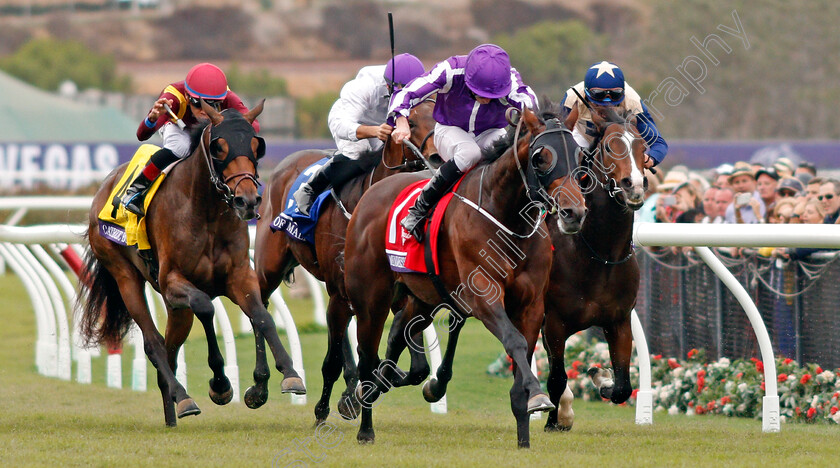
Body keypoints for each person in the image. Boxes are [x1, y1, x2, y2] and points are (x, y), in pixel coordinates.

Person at [388, 44, 538, 241]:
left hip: (490, 131)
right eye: (481, 93)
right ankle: (419, 208)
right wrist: (400, 121)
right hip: (450, 129)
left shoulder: (508, 77)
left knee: (509, 154)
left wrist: (535, 118)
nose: (486, 99)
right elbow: (406, 93)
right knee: (470, 153)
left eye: (492, 96)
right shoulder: (450, 70)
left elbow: (530, 102)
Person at [293, 53, 426, 215]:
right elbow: (342, 125)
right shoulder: (364, 87)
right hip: (351, 121)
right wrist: (374, 131)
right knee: (361, 153)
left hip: (389, 122)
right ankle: (310, 189)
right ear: (388, 86)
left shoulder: (422, 87)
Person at [121, 63, 259, 216]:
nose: (205, 111)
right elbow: (142, 135)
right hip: (178, 127)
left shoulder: (227, 96)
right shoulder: (172, 97)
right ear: (187, 96)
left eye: (213, 105)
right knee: (182, 146)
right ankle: (135, 189)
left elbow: (254, 126)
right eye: (198, 104)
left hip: (209, 129)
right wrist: (152, 118)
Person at [561, 61, 667, 169]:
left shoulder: (633, 102)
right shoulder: (572, 98)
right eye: (598, 100)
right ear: (586, 95)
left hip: (618, 146)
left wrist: (651, 158)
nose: (606, 107)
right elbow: (556, 137)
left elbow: (659, 144)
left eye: (614, 100)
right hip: (582, 138)